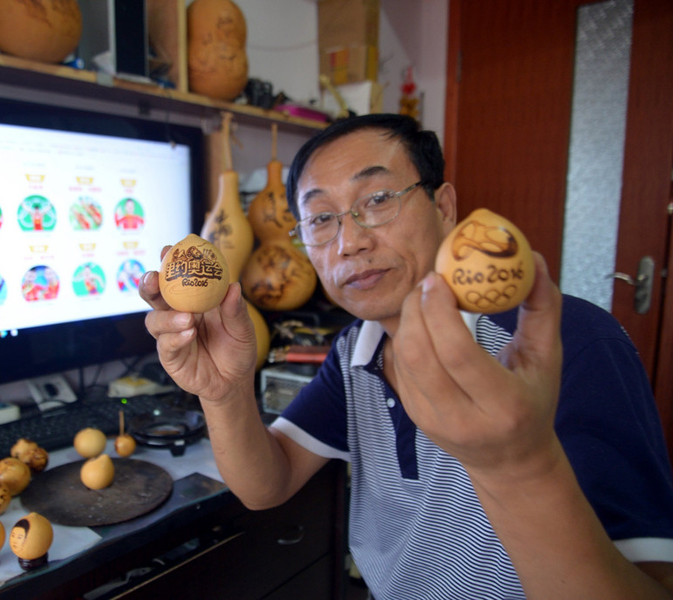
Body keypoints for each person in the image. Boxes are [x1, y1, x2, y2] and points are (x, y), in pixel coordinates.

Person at [139, 114, 673, 598]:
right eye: (321, 219)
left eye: (376, 200)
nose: (348, 242)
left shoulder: (570, 343)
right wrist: (225, 391)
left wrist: (521, 467)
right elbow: (266, 484)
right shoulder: (355, 349)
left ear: (443, 208)